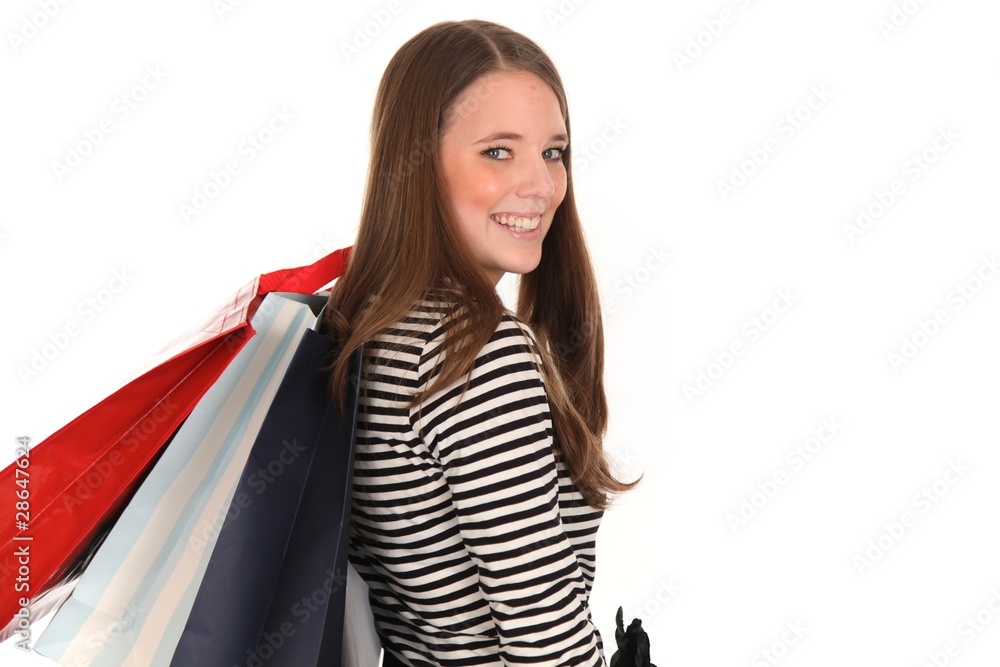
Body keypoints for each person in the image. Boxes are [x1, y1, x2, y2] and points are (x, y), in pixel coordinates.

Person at [322, 19, 636, 666]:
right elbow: (547, 640)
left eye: (553, 152)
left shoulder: (362, 321)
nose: (542, 184)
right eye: (498, 151)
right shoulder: (475, 354)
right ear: (416, 165)